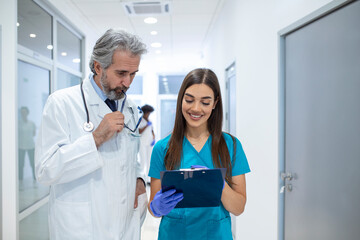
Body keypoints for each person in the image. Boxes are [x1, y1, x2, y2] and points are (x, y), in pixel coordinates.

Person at [35, 29, 148, 240]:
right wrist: (96, 138)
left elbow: (131, 158)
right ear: (98, 67)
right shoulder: (62, 103)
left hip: (124, 225)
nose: (128, 83)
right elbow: (45, 170)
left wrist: (139, 178)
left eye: (133, 74)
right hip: (81, 227)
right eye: (122, 73)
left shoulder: (129, 108)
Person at [148, 68, 250, 240]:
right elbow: (154, 210)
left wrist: (217, 183)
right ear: (181, 100)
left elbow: (238, 208)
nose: (196, 109)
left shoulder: (231, 146)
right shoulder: (162, 148)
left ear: (215, 103)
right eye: (189, 100)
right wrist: (157, 207)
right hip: (173, 234)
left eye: (205, 102)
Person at [138, 104, 155, 183]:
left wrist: (154, 138)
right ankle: (141, 179)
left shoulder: (150, 121)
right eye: (148, 113)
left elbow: (152, 131)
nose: (149, 115)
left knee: (149, 161)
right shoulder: (140, 120)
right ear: (144, 113)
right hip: (142, 143)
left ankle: (148, 179)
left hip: (149, 143)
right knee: (143, 161)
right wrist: (146, 125)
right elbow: (139, 131)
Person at [18, 106, 36, 181]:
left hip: (31, 146)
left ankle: (35, 179)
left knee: (33, 163)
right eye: (22, 112)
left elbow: (34, 134)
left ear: (27, 113)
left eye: (25, 112)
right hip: (21, 146)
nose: (23, 113)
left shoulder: (32, 123)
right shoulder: (18, 123)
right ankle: (20, 180)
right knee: (21, 164)